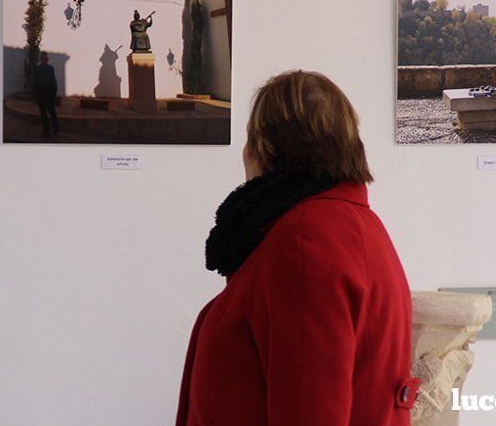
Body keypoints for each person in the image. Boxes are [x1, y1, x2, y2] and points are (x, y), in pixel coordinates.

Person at [176, 71, 419, 425]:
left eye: (249, 138)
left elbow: (311, 412)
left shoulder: (307, 238)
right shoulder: (348, 223)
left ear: (266, 147)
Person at [32, 51, 60, 137]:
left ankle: (53, 129)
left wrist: (54, 92)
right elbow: (34, 82)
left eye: (47, 58)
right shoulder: (39, 69)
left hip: (46, 92)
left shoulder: (49, 68)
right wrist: (35, 94)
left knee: (49, 112)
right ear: (41, 59)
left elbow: (53, 81)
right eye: (45, 58)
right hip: (43, 92)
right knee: (47, 112)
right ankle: (50, 129)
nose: (47, 59)